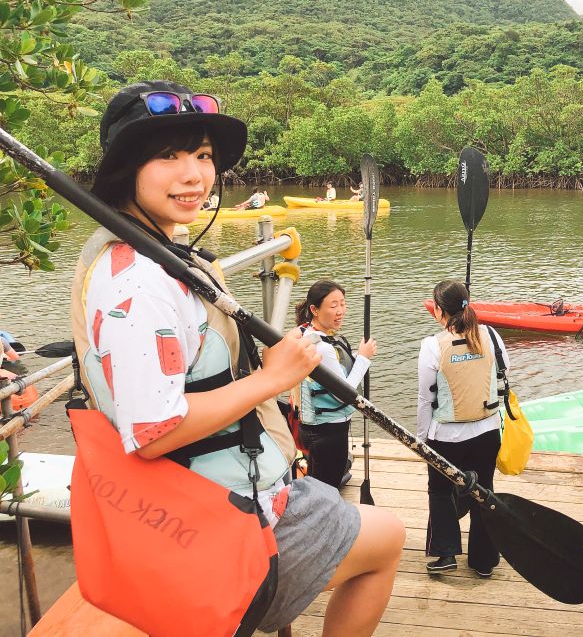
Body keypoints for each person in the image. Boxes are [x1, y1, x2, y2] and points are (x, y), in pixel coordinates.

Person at [72, 80, 404, 635]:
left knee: (363, 522)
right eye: (167, 155)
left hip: (225, 493)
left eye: (203, 155)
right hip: (208, 524)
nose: (193, 175)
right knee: (387, 538)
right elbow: (153, 431)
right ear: (126, 167)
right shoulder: (137, 281)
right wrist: (273, 378)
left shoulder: (163, 256)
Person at [418, 280, 505, 578]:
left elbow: (424, 399)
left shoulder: (432, 345)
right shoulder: (491, 335)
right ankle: (484, 561)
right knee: (484, 490)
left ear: (438, 310)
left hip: (447, 437)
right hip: (488, 431)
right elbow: (501, 376)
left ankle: (445, 554)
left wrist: (421, 440)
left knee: (441, 491)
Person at [294, 280, 376, 489]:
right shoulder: (322, 346)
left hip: (318, 428)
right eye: (333, 306)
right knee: (326, 491)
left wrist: (357, 356)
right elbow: (344, 393)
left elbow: (334, 371)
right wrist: (364, 359)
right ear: (314, 309)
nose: (340, 311)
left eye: (342, 303)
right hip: (328, 430)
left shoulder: (308, 333)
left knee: (318, 483)